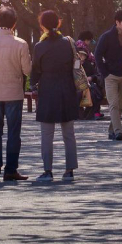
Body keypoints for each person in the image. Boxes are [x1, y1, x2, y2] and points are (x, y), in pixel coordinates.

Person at [0, 5, 32, 181]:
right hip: (14, 93)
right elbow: (27, 70)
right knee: (13, 132)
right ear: (14, 23)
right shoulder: (21, 44)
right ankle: (11, 169)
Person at [31, 10, 79, 181]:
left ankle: (47, 170)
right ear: (58, 23)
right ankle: (70, 169)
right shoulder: (67, 43)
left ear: (42, 25)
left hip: (48, 90)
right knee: (68, 132)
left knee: (47, 133)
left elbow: (35, 70)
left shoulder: (39, 46)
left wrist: (32, 84)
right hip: (66, 88)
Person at [94, 9, 122, 141]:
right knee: (114, 104)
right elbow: (97, 55)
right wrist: (105, 73)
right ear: (117, 22)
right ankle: (118, 132)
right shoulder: (106, 37)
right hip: (110, 76)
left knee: (120, 105)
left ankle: (111, 130)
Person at [77, 43, 104, 120]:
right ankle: (79, 114)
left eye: (83, 55)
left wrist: (91, 77)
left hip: (89, 85)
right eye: (80, 55)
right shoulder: (74, 64)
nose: (81, 57)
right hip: (76, 86)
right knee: (77, 94)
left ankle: (92, 113)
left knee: (94, 94)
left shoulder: (89, 64)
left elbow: (96, 74)